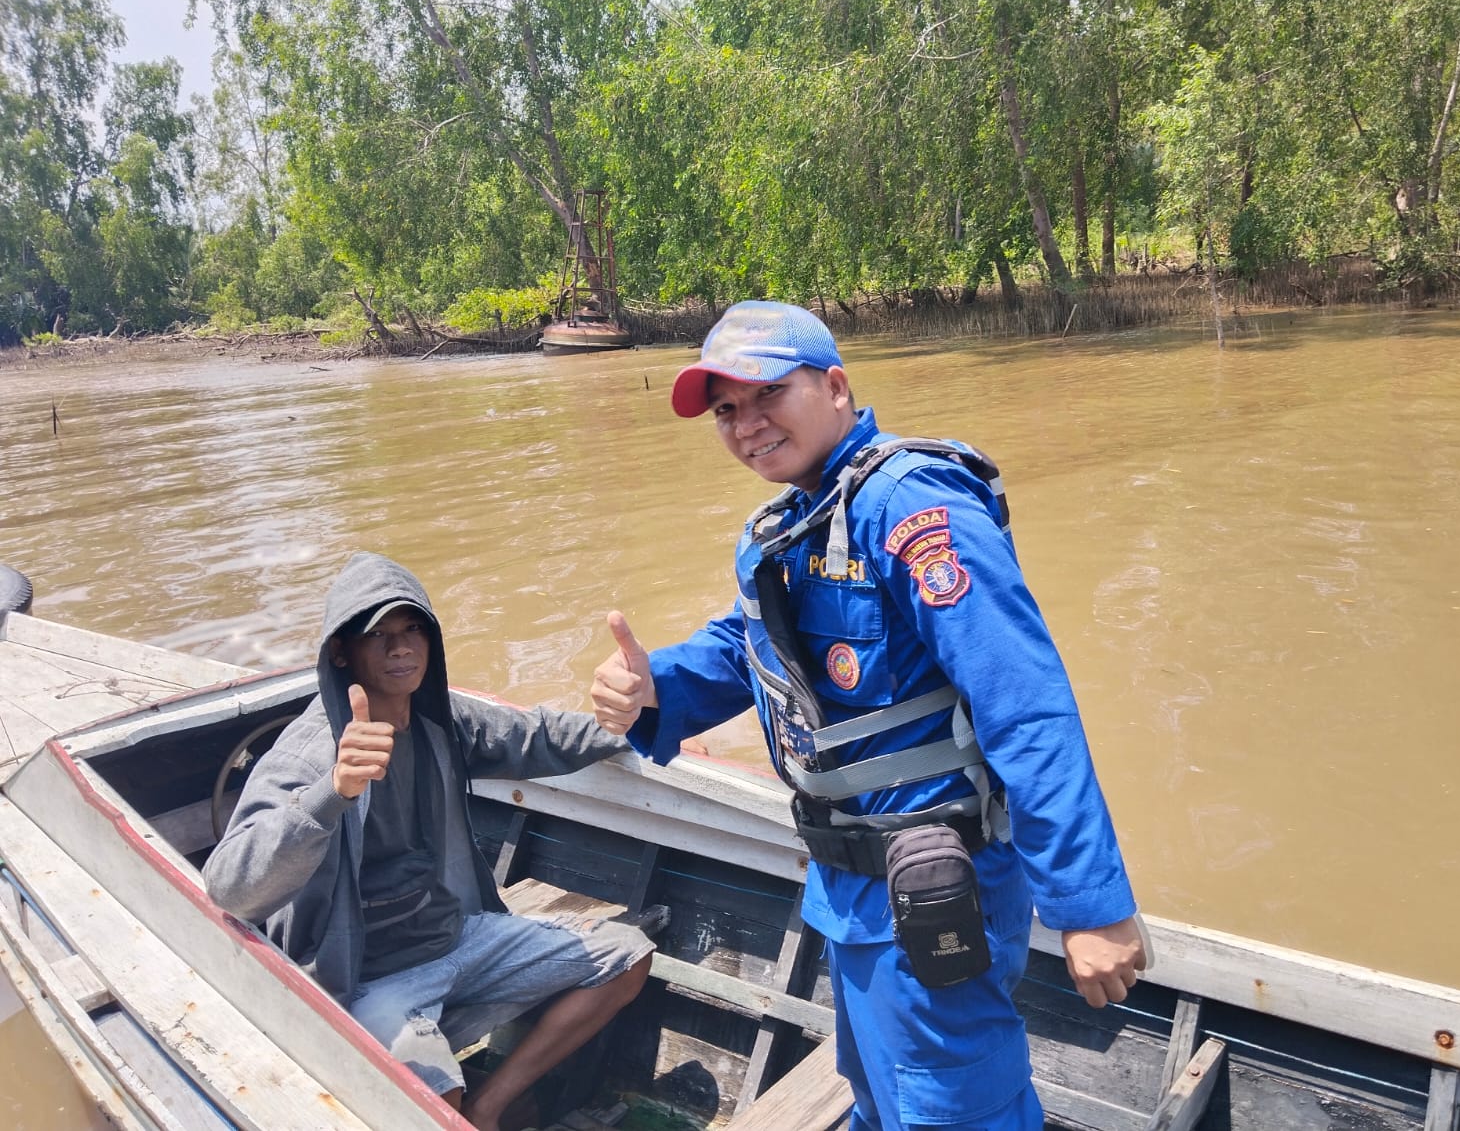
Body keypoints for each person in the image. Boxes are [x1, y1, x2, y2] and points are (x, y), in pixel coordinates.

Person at [592, 301, 1144, 1131]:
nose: (747, 425)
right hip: (849, 891)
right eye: (726, 411)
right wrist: (654, 687)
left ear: (836, 386)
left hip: (935, 886)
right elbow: (753, 650)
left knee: (953, 1110)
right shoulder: (792, 526)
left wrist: (1089, 906)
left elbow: (1025, 704)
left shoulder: (913, 506)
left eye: (767, 393)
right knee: (879, 1098)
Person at [205, 551, 656, 1131]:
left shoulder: (440, 718)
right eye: (380, 635)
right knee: (439, 1113)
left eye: (413, 629)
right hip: (368, 974)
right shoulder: (309, 751)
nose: (402, 648)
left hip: (455, 937)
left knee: (627, 957)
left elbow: (532, 739)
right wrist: (332, 792)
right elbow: (231, 886)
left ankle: (492, 1108)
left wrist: (627, 720)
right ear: (341, 652)